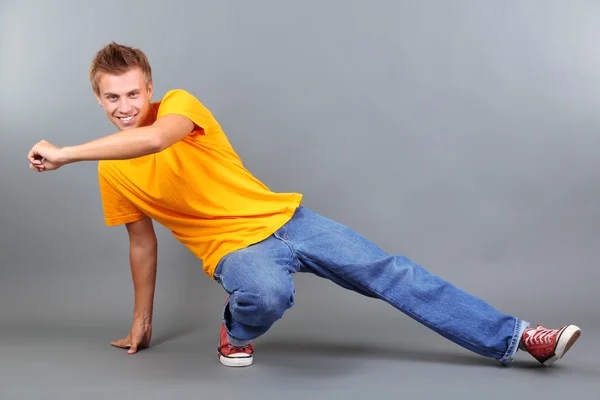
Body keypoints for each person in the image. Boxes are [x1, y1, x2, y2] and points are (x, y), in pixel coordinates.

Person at [27, 42, 581, 369]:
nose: (125, 106)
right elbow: (141, 243)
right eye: (112, 96)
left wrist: (64, 152)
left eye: (133, 93)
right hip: (232, 250)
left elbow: (153, 140)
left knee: (393, 272)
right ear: (97, 99)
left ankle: (519, 338)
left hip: (291, 221)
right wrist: (141, 321)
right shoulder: (111, 170)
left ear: (150, 89)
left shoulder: (179, 106)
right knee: (267, 294)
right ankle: (235, 332)